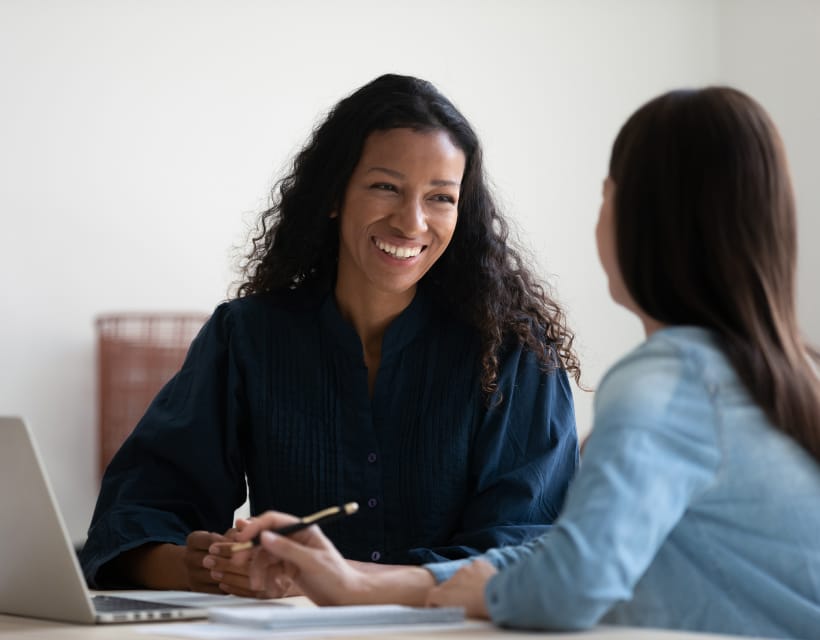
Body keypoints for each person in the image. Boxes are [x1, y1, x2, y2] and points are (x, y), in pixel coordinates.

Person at [231, 87, 820, 639]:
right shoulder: (789, 374)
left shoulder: (666, 383)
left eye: (606, 195)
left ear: (639, 220)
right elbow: (570, 561)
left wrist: (372, 586)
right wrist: (363, 582)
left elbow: (569, 584)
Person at [79, 74, 581, 597]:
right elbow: (131, 520)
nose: (412, 223)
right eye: (386, 186)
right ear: (335, 194)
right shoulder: (246, 337)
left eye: (440, 198)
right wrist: (210, 567)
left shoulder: (515, 354)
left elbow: (529, 549)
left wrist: (331, 579)